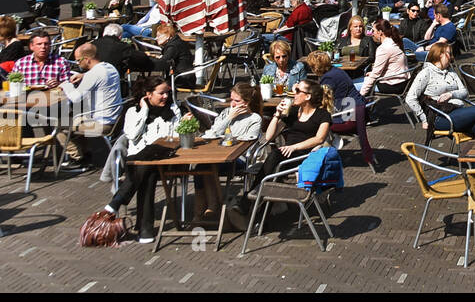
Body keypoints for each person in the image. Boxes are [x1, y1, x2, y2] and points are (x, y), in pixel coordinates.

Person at [101, 76, 181, 243]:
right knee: (148, 172)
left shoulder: (173, 110)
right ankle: (145, 230)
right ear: (148, 94)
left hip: (165, 160)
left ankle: (118, 202)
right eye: (161, 93)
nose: (166, 96)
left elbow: (174, 138)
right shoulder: (133, 111)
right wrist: (144, 111)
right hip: (139, 162)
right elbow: (132, 135)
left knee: (149, 159)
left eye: (167, 93)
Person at [194, 82, 263, 223]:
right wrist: (229, 118)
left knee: (204, 167)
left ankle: (209, 207)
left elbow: (247, 142)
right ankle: (204, 208)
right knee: (200, 167)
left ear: (247, 102)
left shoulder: (254, 119)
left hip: (240, 158)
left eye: (237, 101)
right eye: (231, 100)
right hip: (218, 155)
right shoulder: (226, 113)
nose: (232, 104)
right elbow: (211, 133)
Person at [406, 41, 475, 140]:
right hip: (440, 116)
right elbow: (410, 98)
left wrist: (451, 94)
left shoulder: (451, 72)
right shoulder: (426, 73)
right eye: (449, 54)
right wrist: (423, 119)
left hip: (457, 111)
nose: (451, 57)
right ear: (439, 55)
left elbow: (464, 92)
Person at [252, 80, 333, 189]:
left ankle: (253, 197)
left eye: (297, 90)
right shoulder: (293, 112)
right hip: (286, 154)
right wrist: (277, 115)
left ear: (307, 97)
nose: (293, 93)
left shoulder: (322, 115)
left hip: (307, 156)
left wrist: (294, 147)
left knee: (275, 159)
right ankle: (259, 198)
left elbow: (319, 139)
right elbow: (269, 136)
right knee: (275, 161)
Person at [58, 42, 123, 168]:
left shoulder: (93, 74)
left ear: (87, 59)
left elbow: (75, 98)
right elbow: (98, 77)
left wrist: (66, 85)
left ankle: (77, 158)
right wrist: (84, 76)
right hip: (116, 120)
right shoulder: (109, 67)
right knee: (74, 119)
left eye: (78, 61)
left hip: (102, 124)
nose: (77, 64)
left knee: (58, 124)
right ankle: (84, 153)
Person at [304, 50, 373, 168]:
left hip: (350, 118)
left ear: (315, 67)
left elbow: (323, 100)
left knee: (316, 123)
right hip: (355, 111)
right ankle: (327, 149)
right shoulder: (336, 71)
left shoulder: (328, 79)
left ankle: (323, 158)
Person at [360, 18, 408, 98]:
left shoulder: (384, 48)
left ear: (380, 33)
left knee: (352, 85)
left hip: (392, 85)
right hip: (401, 82)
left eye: (374, 31)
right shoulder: (394, 42)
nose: (372, 34)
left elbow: (375, 74)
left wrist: (361, 95)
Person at [154, 22, 195, 86]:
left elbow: (164, 62)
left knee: (155, 85)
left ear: (168, 36)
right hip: (186, 77)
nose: (156, 38)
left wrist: (150, 60)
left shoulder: (173, 46)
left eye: (158, 36)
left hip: (182, 79)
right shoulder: (177, 42)